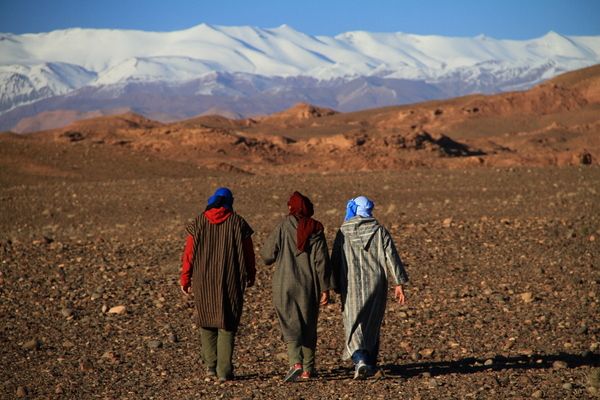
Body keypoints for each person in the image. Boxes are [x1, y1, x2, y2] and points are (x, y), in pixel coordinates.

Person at [179, 187, 256, 382]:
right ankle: (224, 371)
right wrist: (251, 274)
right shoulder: (238, 222)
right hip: (231, 280)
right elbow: (249, 253)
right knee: (227, 323)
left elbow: (189, 254)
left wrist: (185, 278)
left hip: (203, 280)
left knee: (206, 322)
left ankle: (210, 367)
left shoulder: (199, 222)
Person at [331, 195, 409, 379]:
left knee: (353, 322)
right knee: (372, 322)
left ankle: (360, 360)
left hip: (351, 285)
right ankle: (370, 363)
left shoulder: (343, 231)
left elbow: (335, 259)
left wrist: (333, 284)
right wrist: (398, 283)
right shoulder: (379, 231)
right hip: (376, 283)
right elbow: (391, 256)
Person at [261, 191, 334, 382]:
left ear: (292, 207)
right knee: (308, 324)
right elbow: (322, 260)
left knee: (289, 322)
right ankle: (308, 369)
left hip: (284, 283)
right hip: (309, 285)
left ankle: (295, 363)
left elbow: (267, 255)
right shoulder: (316, 228)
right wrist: (325, 287)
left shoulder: (283, 226)